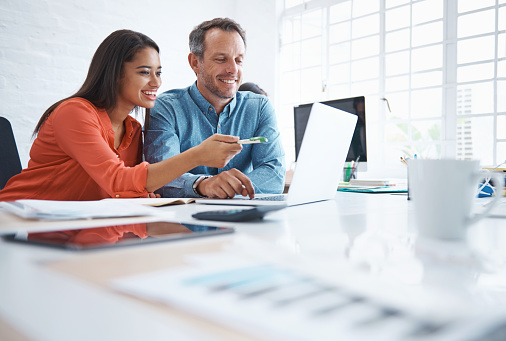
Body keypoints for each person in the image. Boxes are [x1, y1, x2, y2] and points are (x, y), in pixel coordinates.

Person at [0, 29, 249, 202]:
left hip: (75, 229)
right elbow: (118, 181)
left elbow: (128, 189)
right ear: (115, 74)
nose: (156, 82)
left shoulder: (132, 129)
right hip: (18, 221)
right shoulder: (74, 113)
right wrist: (198, 155)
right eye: (144, 72)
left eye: (158, 72)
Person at [144, 18, 285, 199]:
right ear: (195, 62)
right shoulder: (166, 108)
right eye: (221, 59)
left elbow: (274, 174)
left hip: (243, 220)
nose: (233, 69)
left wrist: (229, 188)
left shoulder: (259, 107)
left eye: (239, 60)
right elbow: (159, 178)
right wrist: (202, 185)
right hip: (184, 223)